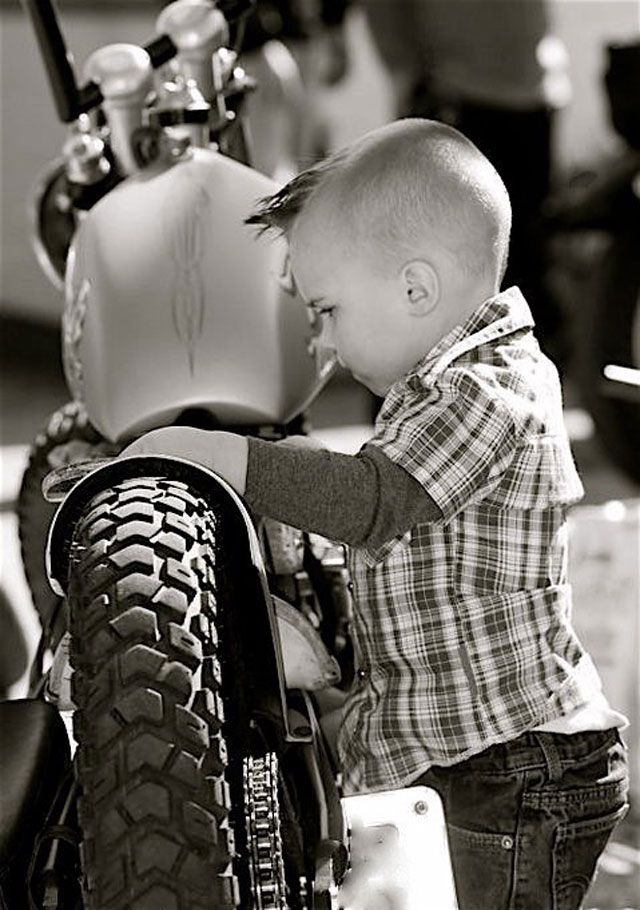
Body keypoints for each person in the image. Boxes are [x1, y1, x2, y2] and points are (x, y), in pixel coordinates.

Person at [122, 119, 629, 909]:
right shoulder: (432, 393)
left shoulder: (489, 389)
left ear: (415, 289)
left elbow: (374, 500)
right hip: (470, 756)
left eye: (325, 311)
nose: (320, 343)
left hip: (516, 770)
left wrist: (225, 457)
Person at [359, 0, 571, 364]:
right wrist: (406, 74)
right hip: (455, 98)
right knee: (441, 273)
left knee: (524, 268)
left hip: (531, 94)